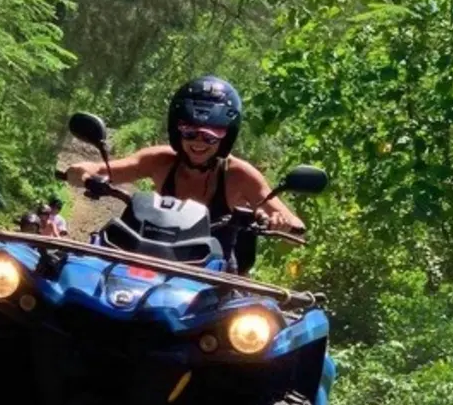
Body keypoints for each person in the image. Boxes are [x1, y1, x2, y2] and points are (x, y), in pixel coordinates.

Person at [62, 76, 303, 271]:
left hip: (212, 273)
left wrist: (281, 223)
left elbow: (292, 223)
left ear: (227, 136)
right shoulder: (160, 160)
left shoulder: (239, 175)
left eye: (211, 136)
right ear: (177, 130)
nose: (199, 142)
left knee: (242, 325)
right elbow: (104, 170)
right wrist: (84, 173)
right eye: (189, 132)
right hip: (146, 254)